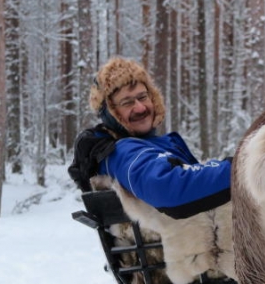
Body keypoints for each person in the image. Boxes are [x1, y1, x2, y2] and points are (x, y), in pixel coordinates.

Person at [68, 57, 231, 219]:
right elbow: (167, 188)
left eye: (143, 97)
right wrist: (240, 168)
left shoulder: (148, 145)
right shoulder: (121, 152)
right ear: (109, 113)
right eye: (127, 102)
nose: (140, 108)